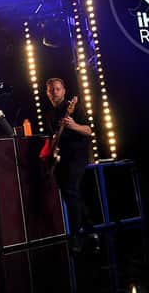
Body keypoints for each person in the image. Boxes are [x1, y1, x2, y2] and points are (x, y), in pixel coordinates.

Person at [42, 77, 98, 253]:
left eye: (58, 89)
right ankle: (90, 230)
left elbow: (88, 130)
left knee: (71, 190)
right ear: (47, 93)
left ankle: (75, 235)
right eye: (51, 90)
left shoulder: (73, 107)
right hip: (61, 158)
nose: (55, 92)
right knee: (71, 193)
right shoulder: (49, 114)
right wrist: (49, 154)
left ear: (64, 91)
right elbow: (52, 137)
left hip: (77, 156)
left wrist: (73, 125)